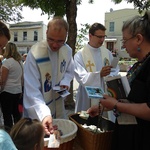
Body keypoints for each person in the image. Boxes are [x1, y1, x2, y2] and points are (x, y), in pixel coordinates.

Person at [87, 11, 150, 150]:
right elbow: (130, 99)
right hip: (127, 132)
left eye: (125, 40)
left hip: (142, 138)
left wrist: (115, 105)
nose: (123, 46)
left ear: (138, 39)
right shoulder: (139, 64)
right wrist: (104, 107)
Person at [23, 16, 74, 135]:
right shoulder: (35, 54)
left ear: (66, 37)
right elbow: (32, 90)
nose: (55, 45)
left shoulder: (67, 51)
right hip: (38, 108)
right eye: (51, 39)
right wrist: (45, 114)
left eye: (60, 41)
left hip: (58, 101)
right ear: (46, 32)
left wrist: (65, 82)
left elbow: (69, 71)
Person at [74, 22, 119, 121]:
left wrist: (110, 74)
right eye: (99, 37)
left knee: (104, 125)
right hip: (87, 96)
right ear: (90, 36)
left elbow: (115, 71)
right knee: (86, 124)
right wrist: (99, 75)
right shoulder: (80, 55)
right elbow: (81, 77)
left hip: (105, 92)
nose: (102, 40)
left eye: (104, 37)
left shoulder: (106, 53)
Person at [0, 42, 23, 130]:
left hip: (7, 91)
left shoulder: (7, 63)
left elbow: (3, 80)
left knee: (7, 115)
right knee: (16, 113)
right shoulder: (19, 63)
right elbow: (22, 78)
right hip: (17, 91)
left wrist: (1, 89)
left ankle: (9, 133)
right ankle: (18, 131)